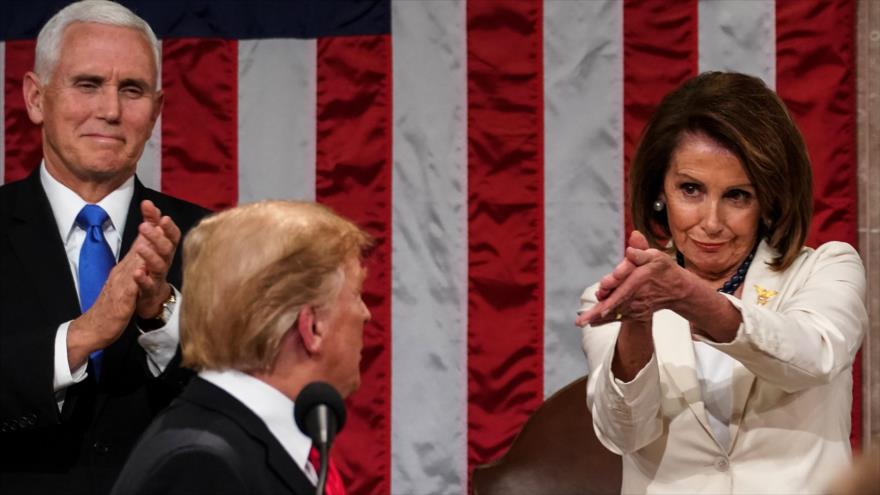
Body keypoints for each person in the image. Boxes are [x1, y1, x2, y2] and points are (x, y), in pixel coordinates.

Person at [575, 72, 868, 494]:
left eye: (737, 196)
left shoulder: (826, 269)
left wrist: (693, 300)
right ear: (661, 192)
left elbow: (812, 357)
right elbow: (624, 434)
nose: (711, 223)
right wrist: (637, 325)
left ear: (768, 199)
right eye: (691, 190)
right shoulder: (616, 297)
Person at [0, 1, 208, 493]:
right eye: (87, 84)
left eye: (131, 90)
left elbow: (241, 400)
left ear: (155, 112)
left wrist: (160, 315)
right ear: (35, 98)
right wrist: (83, 334)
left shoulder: (212, 239)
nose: (110, 110)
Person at [110, 200, 372, 495]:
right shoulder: (202, 467)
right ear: (312, 326)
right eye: (357, 294)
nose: (366, 314)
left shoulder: (240, 442)